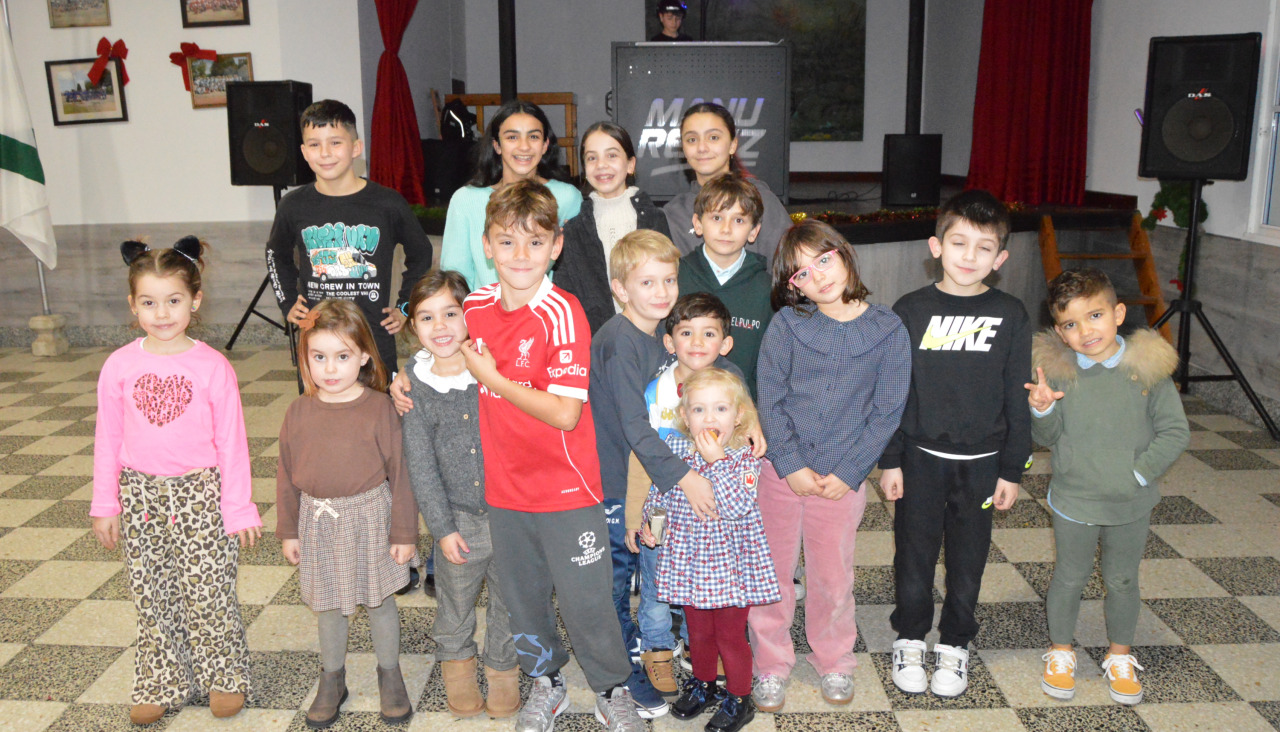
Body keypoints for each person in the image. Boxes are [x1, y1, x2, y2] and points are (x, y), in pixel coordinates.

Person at [459, 180, 647, 731]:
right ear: (488, 245)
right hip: (505, 488)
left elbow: (565, 412)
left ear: (556, 246)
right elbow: (447, 367)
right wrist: (409, 383)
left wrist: (492, 377)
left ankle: (612, 689)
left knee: (587, 602)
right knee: (523, 601)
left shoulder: (563, 312)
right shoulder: (473, 307)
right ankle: (547, 682)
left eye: (535, 243)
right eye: (508, 243)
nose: (522, 256)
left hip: (565, 490)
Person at [92, 237, 261, 726]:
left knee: (208, 590)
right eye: (148, 302)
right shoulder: (119, 366)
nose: (161, 313)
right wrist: (106, 503)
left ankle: (224, 675)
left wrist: (239, 508)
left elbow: (233, 443)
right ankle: (163, 679)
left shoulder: (213, 367)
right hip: (140, 494)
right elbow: (107, 437)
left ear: (195, 301)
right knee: (151, 590)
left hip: (200, 494)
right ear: (133, 304)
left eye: (173, 301)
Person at [749, 220, 911, 711]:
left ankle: (835, 659)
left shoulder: (887, 328)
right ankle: (771, 664)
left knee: (832, 576)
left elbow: (887, 410)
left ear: (844, 254)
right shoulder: (788, 326)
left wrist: (850, 470)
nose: (818, 276)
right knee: (771, 573)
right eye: (801, 274)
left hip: (844, 478)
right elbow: (770, 401)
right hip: (781, 473)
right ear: (789, 286)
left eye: (824, 259)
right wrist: (790, 462)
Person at [877, 189, 1032, 696]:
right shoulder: (910, 310)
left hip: (983, 464)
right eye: (959, 242)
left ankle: (955, 643)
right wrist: (891, 459)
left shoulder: (1010, 314)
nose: (970, 256)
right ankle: (910, 635)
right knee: (914, 554)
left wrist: (1013, 468)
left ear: (1000, 258)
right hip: (920, 458)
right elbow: (894, 391)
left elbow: (1017, 395)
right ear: (935, 246)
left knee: (969, 558)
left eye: (984, 247)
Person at [1029, 268, 1189, 706]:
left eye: (1095, 315)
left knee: (1122, 579)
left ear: (1118, 313)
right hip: (1073, 498)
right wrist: (1041, 409)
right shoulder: (1057, 374)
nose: (1085, 331)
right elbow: (1046, 438)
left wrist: (1137, 474)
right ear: (1060, 333)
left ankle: (1120, 655)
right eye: (1070, 324)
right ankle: (1061, 651)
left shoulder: (1147, 372)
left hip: (1130, 500)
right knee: (1069, 576)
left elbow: (1175, 432)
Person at [276, 299, 419, 727]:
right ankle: (332, 678)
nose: (330, 368)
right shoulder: (298, 411)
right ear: (305, 359)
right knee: (329, 606)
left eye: (342, 356)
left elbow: (403, 474)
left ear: (362, 357)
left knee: (379, 604)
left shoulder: (379, 409)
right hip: (318, 522)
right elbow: (285, 473)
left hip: (371, 518)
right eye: (318, 357)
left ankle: (390, 674)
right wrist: (288, 530)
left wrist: (404, 533)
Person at [398, 270, 520, 719]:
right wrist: (443, 529)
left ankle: (504, 669)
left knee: (509, 601)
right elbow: (422, 469)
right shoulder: (414, 386)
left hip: (509, 514)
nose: (441, 325)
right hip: (459, 521)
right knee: (455, 603)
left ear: (470, 316)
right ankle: (458, 668)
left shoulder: (492, 367)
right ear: (414, 327)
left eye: (451, 313)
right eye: (427, 317)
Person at [640, 368, 778, 732]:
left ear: (738, 416)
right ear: (685, 416)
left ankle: (739, 697)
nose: (709, 418)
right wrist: (652, 530)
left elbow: (736, 506)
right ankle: (704, 683)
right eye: (699, 410)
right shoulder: (674, 448)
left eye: (720, 409)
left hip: (730, 567)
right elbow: (660, 494)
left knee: (729, 635)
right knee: (697, 632)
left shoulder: (746, 459)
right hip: (689, 561)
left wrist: (717, 460)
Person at [265, 99, 433, 374]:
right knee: (323, 413)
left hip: (373, 336)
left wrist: (405, 306)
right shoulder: (293, 205)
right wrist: (287, 302)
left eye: (335, 142)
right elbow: (276, 254)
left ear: (356, 147)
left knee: (380, 411)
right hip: (318, 336)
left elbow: (421, 253)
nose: (325, 153)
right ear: (304, 152)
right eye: (315, 144)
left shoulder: (387, 203)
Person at [627, 292, 738, 694]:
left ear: (724, 344)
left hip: (709, 512)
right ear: (669, 341)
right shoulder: (654, 393)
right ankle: (657, 650)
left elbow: (742, 452)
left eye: (708, 333)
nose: (696, 341)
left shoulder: (731, 391)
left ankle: (699, 646)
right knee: (656, 583)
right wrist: (633, 517)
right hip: (661, 508)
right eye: (685, 332)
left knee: (701, 581)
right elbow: (639, 459)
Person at [440, 99, 582, 290]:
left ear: (545, 145)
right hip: (482, 316)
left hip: (545, 315)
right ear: (497, 145)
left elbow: (578, 271)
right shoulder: (465, 200)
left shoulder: (567, 198)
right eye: (512, 137)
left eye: (533, 137)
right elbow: (455, 278)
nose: (524, 147)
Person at [555, 121, 672, 333]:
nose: (601, 165)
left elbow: (670, 285)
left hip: (653, 339)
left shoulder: (655, 220)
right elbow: (566, 300)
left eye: (612, 155)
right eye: (592, 158)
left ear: (630, 164)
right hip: (596, 345)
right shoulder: (574, 230)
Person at [676, 173, 773, 399]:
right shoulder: (675, 278)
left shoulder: (767, 290)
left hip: (742, 413)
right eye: (717, 218)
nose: (727, 229)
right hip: (678, 412)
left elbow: (768, 367)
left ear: (754, 231)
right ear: (698, 224)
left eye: (738, 220)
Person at [662, 103, 790, 269]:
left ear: (732, 145)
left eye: (713, 137)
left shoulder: (761, 199)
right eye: (692, 139)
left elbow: (788, 268)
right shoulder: (673, 214)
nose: (701, 148)